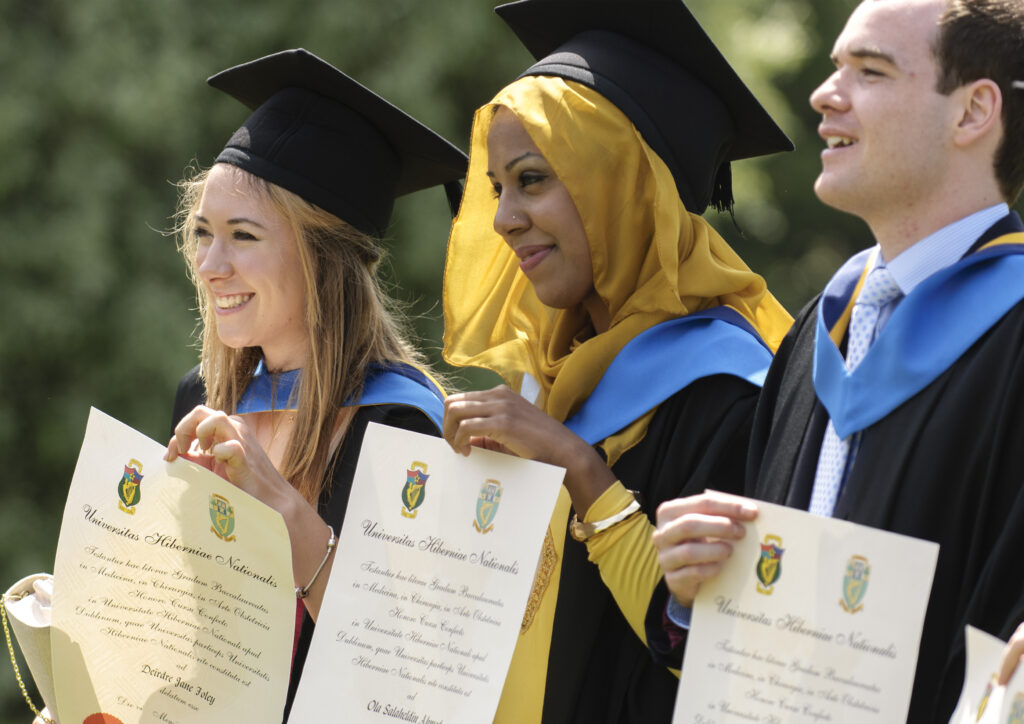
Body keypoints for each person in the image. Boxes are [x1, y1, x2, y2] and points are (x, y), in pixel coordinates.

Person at [652, 0, 1024, 721]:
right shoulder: (824, 326)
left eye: (870, 70)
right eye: (833, 68)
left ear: (973, 112)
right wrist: (699, 588)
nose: (826, 95)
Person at [440, 1, 794, 720]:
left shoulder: (733, 395)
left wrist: (580, 470)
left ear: (622, 188)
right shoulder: (552, 377)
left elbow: (723, 661)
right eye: (496, 187)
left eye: (533, 179)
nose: (504, 218)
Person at [162, 49, 466, 718]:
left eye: (243, 235)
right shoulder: (204, 400)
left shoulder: (402, 425)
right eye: (203, 232)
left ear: (324, 257)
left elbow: (413, 671)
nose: (211, 264)